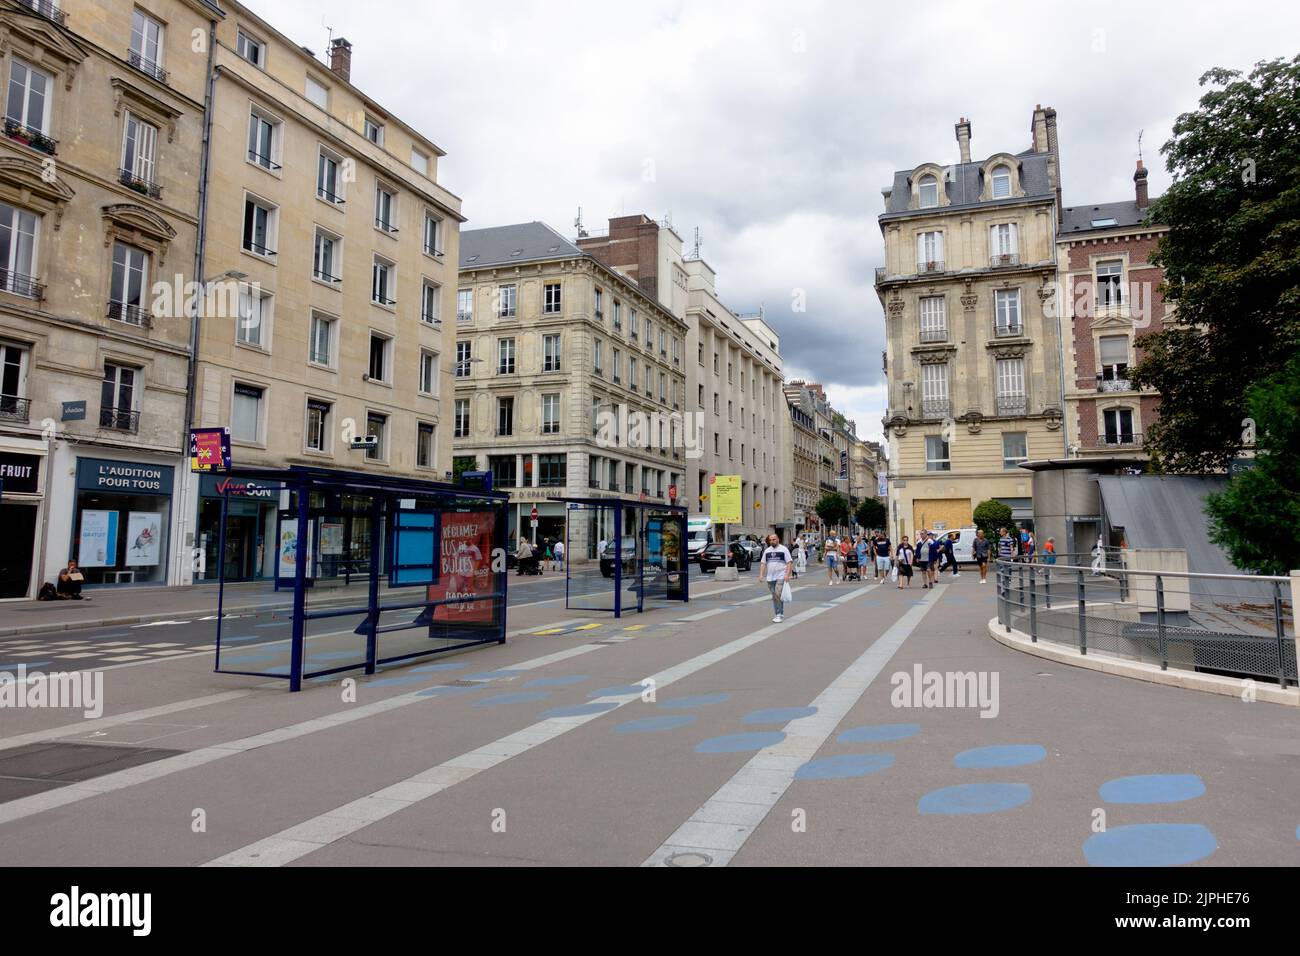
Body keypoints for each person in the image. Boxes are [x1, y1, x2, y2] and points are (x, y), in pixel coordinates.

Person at [759, 533, 793, 623]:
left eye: (774, 539)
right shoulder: (767, 551)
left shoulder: (783, 549)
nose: (772, 541)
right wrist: (761, 575)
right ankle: (777, 613)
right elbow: (763, 563)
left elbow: (789, 562)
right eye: (770, 540)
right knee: (774, 596)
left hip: (781, 576)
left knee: (778, 594)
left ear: (778, 539)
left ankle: (779, 614)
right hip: (770, 577)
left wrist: (787, 574)